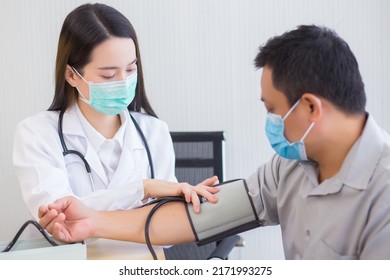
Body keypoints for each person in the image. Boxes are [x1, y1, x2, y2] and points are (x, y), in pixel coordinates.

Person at [38, 25, 390, 259]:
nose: (269, 122)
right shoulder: (289, 168)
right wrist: (94, 221)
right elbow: (200, 217)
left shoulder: (382, 194)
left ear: (311, 106)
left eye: (272, 110)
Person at [13, 3, 219, 220]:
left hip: (145, 255)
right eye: (109, 75)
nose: (123, 82)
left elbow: (171, 226)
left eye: (130, 69)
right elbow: (60, 217)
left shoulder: (154, 131)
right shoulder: (37, 134)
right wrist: (143, 189)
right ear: (71, 75)